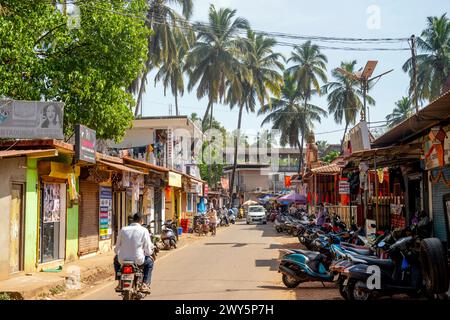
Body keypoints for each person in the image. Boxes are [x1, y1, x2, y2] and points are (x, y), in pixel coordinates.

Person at [113, 213, 155, 293]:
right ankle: (145, 284)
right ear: (142, 221)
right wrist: (149, 253)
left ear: (133, 220)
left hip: (122, 259)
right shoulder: (144, 230)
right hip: (138, 260)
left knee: (115, 259)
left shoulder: (123, 229)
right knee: (150, 263)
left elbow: (116, 247)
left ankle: (119, 282)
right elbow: (148, 249)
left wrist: (118, 253)